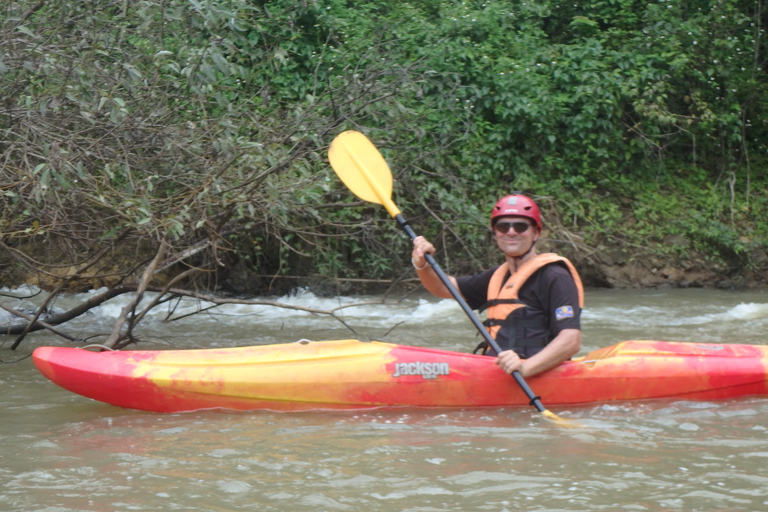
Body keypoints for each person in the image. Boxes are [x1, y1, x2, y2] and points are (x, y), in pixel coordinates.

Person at [411, 193, 583, 378]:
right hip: (496, 372)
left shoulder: (555, 277)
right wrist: (422, 264)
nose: (511, 232)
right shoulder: (497, 277)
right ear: (495, 234)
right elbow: (443, 288)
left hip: (534, 376)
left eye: (520, 226)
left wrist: (526, 368)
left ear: (536, 232)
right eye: (503, 226)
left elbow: (571, 340)